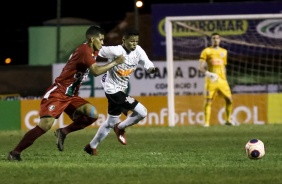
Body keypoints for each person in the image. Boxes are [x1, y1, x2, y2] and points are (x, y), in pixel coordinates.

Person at [7, 25, 125, 161]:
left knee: (92, 114)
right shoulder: (85, 51)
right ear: (92, 39)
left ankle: (63, 131)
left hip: (70, 95)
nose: (103, 43)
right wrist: (116, 62)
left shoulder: (93, 50)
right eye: (101, 40)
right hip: (58, 92)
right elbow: (96, 71)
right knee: (45, 125)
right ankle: (15, 153)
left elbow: (109, 52)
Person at [83, 28, 158, 156]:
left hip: (121, 89)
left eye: (136, 41)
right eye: (131, 41)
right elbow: (93, 48)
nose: (134, 44)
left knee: (110, 122)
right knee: (142, 112)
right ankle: (120, 127)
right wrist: (83, 62)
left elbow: (147, 62)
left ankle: (91, 146)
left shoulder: (138, 51)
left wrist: (151, 69)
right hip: (112, 90)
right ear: (124, 40)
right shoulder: (115, 50)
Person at [199, 32, 237, 127]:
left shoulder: (224, 52)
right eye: (213, 38)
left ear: (220, 40)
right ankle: (206, 123)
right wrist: (208, 74)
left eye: (217, 38)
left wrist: (225, 79)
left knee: (229, 100)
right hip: (211, 80)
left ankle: (228, 120)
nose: (215, 39)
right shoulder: (206, 51)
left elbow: (223, 67)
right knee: (209, 100)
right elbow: (200, 67)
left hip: (222, 80)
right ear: (211, 40)